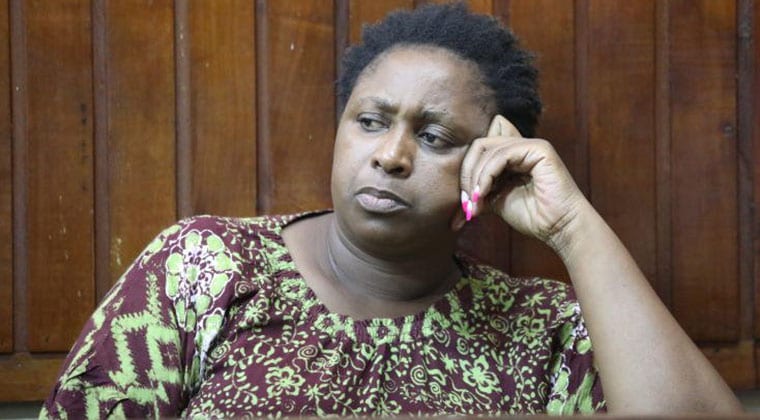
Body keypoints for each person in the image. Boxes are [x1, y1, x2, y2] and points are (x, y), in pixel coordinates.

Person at [42, 3, 742, 418]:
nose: (391, 155)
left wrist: (570, 225)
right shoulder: (204, 266)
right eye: (371, 122)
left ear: (490, 163)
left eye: (434, 138)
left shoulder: (540, 329)